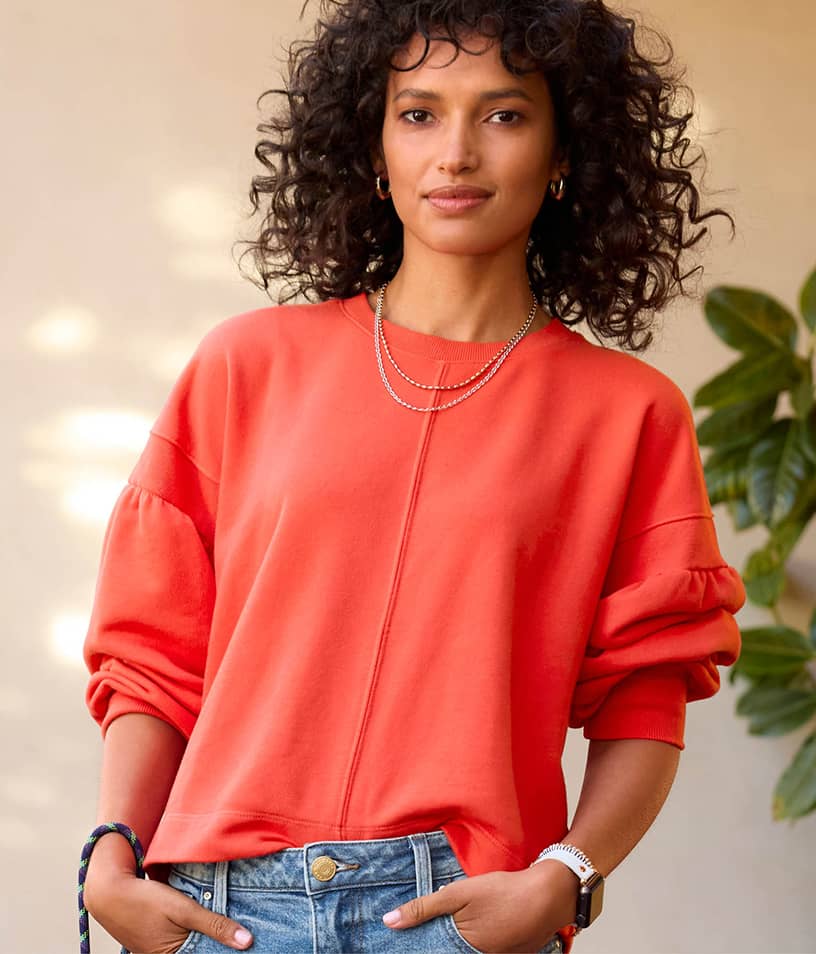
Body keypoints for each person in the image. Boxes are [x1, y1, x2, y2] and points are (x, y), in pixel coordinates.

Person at [80, 2, 746, 952]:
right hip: (221, 908)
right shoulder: (245, 366)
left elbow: (649, 692)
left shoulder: (629, 414)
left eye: (505, 115)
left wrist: (567, 879)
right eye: (419, 112)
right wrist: (114, 855)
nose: (458, 153)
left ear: (567, 155)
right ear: (373, 144)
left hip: (460, 910)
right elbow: (154, 655)